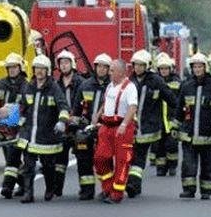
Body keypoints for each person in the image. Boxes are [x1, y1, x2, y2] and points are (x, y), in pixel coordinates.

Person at [172, 53, 211, 200]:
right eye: (195, 67)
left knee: (208, 164)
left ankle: (206, 190)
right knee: (188, 164)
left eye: (200, 66)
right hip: (189, 135)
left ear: (205, 67)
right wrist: (174, 127)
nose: (197, 69)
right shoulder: (186, 86)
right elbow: (179, 110)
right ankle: (188, 189)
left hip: (209, 135)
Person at [16, 55, 70, 203]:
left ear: (48, 71)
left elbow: (63, 106)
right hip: (28, 133)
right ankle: (28, 193)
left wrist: (62, 121)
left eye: (42, 69)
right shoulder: (28, 86)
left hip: (46, 135)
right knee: (28, 165)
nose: (39, 71)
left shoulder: (54, 88)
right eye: (37, 68)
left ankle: (50, 188)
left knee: (48, 166)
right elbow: (21, 107)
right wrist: (9, 120)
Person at [125, 49, 177, 198]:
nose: (138, 68)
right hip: (131, 126)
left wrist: (180, 115)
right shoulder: (129, 81)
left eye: (141, 65)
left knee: (139, 156)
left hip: (149, 128)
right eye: (136, 65)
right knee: (129, 157)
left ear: (147, 65)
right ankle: (135, 184)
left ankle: (133, 184)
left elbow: (172, 100)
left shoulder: (156, 81)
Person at [93, 59, 139, 204]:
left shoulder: (130, 87)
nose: (109, 72)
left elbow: (132, 107)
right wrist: (97, 114)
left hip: (122, 128)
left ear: (121, 72)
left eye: (112, 70)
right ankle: (107, 187)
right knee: (100, 158)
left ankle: (117, 193)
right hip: (106, 126)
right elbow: (106, 102)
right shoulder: (109, 86)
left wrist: (124, 124)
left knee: (122, 161)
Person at [71, 52, 112, 200]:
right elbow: (76, 110)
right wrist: (74, 129)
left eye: (104, 67)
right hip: (86, 129)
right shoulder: (85, 85)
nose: (101, 69)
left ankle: (107, 189)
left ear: (109, 69)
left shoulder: (113, 88)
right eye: (99, 66)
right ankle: (87, 190)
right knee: (83, 159)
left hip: (105, 128)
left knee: (104, 160)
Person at [0, 52, 29, 199]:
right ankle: (25, 186)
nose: (12, 70)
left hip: (19, 128)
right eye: (9, 67)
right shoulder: (2, 83)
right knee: (11, 159)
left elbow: (27, 108)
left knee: (13, 157)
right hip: (4, 128)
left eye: (14, 67)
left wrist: (10, 112)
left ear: (20, 68)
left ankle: (7, 187)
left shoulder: (26, 86)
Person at [54, 49, 85, 197]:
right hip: (62, 127)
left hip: (77, 128)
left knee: (82, 157)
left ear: (72, 64)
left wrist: (80, 119)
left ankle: (85, 190)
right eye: (61, 63)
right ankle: (56, 189)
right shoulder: (55, 84)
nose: (64, 65)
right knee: (59, 161)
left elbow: (87, 105)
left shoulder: (82, 83)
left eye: (66, 62)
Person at [153, 53, 181, 176]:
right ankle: (160, 167)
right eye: (161, 69)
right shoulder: (154, 82)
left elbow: (181, 101)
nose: (164, 71)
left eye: (166, 68)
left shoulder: (177, 83)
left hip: (172, 119)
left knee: (172, 144)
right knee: (159, 145)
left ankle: (172, 165)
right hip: (158, 119)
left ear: (170, 69)